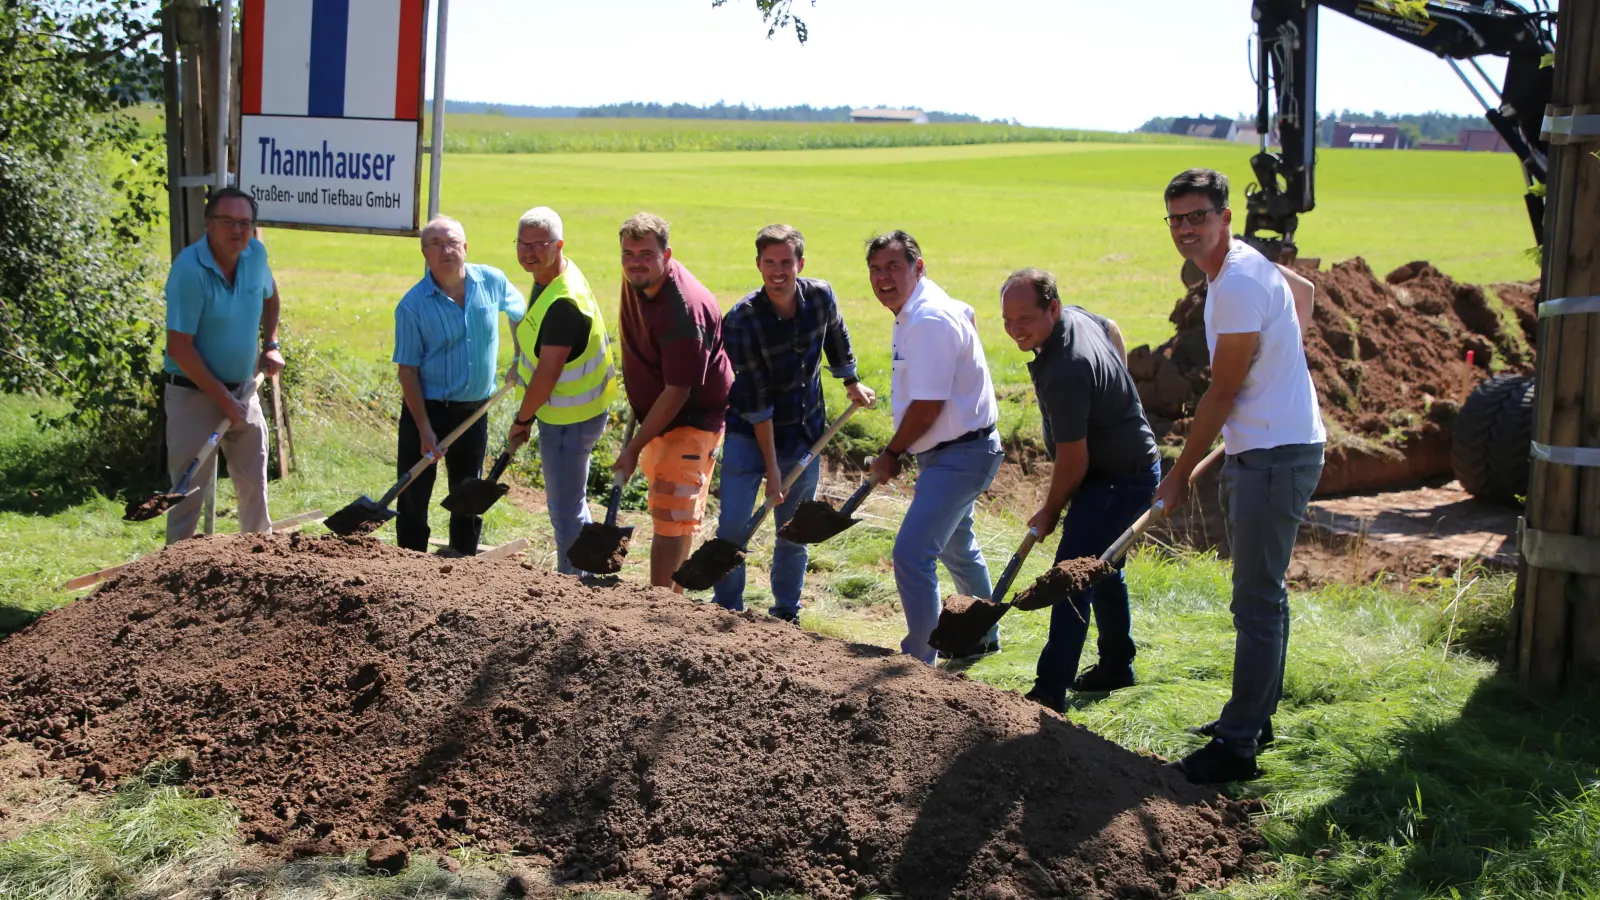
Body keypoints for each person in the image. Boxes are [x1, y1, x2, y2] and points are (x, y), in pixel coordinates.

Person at [1153, 168, 1325, 784]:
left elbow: (1222, 391)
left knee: (1254, 600)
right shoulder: (1245, 268)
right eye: (1175, 218)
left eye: (1197, 216)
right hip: (1273, 442)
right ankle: (1257, 714)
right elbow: (1302, 294)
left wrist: (1177, 476)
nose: (1185, 228)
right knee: (1264, 595)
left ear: (1226, 217)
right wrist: (1280, 372)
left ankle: (1237, 746)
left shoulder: (1237, 285)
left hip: (1275, 455)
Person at [999, 268, 1161, 713]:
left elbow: (1074, 460)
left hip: (1117, 478)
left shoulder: (1064, 370)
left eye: (1024, 320)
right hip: (1127, 467)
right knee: (1103, 567)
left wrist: (1049, 511)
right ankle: (1116, 664)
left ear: (1051, 308)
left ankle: (1049, 692)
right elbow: (1113, 329)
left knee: (1070, 577)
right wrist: (1120, 396)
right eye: (1007, 321)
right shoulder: (1075, 318)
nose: (1015, 331)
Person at [715, 224, 876, 621]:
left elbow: (836, 332)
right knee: (735, 524)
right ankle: (726, 608)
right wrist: (772, 471)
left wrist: (851, 380)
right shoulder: (741, 320)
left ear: (800, 263)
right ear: (758, 264)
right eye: (769, 262)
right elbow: (757, 402)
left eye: (786, 262)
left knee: (793, 531)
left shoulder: (820, 297)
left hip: (806, 434)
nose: (778, 271)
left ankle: (787, 613)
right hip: (749, 436)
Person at [864, 230, 1003, 665]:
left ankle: (919, 658)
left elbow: (927, 406)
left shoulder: (927, 320)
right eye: (875, 269)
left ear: (918, 268)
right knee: (958, 546)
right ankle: (981, 637)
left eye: (893, 267)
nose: (883, 278)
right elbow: (968, 311)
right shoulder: (925, 307)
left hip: (961, 454)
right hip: (960, 449)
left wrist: (893, 452)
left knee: (912, 553)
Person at [612, 213, 734, 591]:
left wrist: (633, 447)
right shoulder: (638, 278)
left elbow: (677, 391)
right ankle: (671, 605)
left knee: (670, 518)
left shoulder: (684, 311)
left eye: (646, 254)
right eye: (628, 253)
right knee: (675, 517)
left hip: (690, 421)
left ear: (667, 254)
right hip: (662, 415)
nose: (635, 261)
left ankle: (658, 611)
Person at [393, 215, 526, 556]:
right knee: (414, 493)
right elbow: (407, 371)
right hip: (427, 409)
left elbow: (519, 311)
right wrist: (424, 428)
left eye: (452, 242)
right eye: (436, 244)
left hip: (475, 409)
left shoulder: (491, 281)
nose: (446, 250)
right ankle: (409, 564)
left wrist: (519, 357)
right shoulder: (412, 306)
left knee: (469, 494)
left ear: (465, 248)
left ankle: (463, 567)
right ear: (425, 253)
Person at [162, 187, 285, 544]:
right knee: (187, 495)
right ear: (209, 224)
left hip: (244, 390)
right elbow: (179, 347)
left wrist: (271, 344)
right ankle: (173, 582)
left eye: (245, 222)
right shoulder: (189, 270)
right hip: (193, 395)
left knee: (254, 489)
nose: (237, 230)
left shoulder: (255, 256)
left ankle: (260, 570)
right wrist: (222, 398)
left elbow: (271, 296)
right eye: (227, 221)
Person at [505, 206, 618, 577]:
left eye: (539, 244)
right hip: (580, 410)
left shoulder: (563, 304)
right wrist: (520, 363)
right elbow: (537, 345)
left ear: (559, 245)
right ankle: (585, 572)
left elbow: (548, 374)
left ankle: (571, 589)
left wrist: (522, 419)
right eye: (523, 243)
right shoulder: (555, 274)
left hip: (569, 418)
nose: (529, 252)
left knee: (564, 509)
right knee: (574, 502)